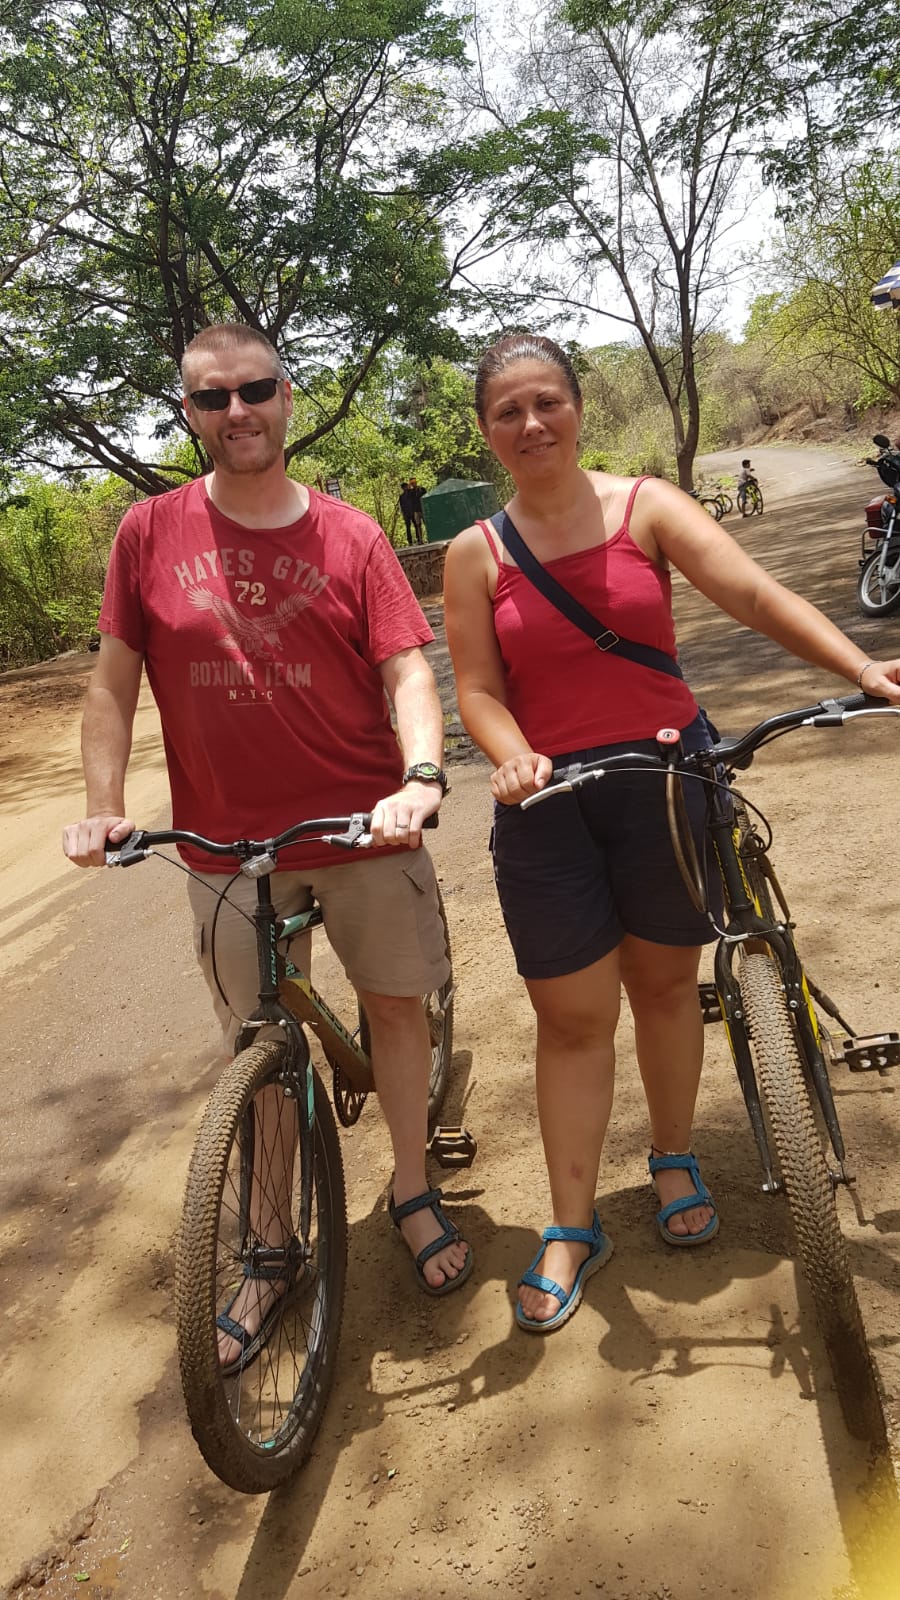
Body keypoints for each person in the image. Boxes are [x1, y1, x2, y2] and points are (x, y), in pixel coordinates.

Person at [443, 330, 900, 1335]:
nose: (531, 423)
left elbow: (752, 592)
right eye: (509, 410)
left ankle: (673, 1154)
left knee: (662, 986)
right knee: (571, 1020)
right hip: (546, 806)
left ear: (577, 408)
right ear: (487, 431)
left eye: (548, 401)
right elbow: (476, 687)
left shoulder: (646, 507)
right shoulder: (477, 554)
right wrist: (512, 755)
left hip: (665, 781)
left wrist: (862, 669)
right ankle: (572, 1227)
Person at [63, 324, 473, 1367]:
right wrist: (104, 805)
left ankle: (412, 1188)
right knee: (259, 1042)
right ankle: (273, 1246)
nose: (236, 411)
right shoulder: (147, 533)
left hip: (361, 826)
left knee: (394, 1007)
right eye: (213, 397)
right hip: (223, 848)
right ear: (190, 413)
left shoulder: (353, 536)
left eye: (254, 390)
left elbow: (407, 670)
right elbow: (112, 684)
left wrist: (420, 776)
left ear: (287, 396)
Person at [407, 477, 426, 543]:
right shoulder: (411, 492)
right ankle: (420, 539)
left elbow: (425, 495)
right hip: (416, 510)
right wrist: (409, 489)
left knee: (426, 524)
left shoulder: (421, 489)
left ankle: (429, 537)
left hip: (422, 509)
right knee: (418, 525)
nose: (413, 484)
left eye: (414, 483)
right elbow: (408, 497)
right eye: (412, 483)